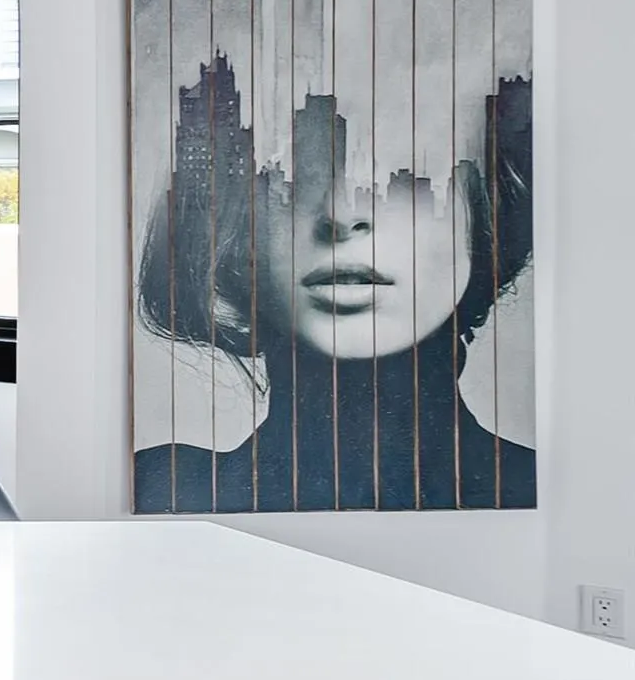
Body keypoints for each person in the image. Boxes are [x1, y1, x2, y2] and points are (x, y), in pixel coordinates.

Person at [134, 66, 532, 511]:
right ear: (230, 228)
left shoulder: (567, 493)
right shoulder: (160, 490)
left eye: (407, 171)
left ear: (486, 212)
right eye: (287, 174)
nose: (340, 214)